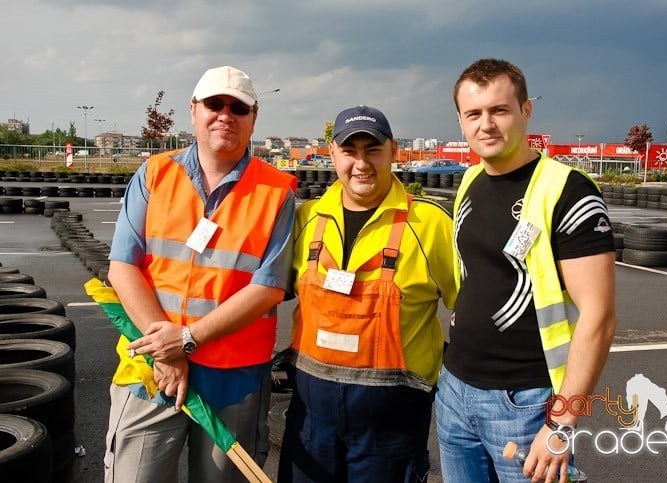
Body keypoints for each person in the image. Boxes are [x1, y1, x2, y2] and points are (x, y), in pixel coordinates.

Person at [104, 65, 297, 482]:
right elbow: (122, 267)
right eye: (214, 104)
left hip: (234, 380)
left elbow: (268, 288)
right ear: (194, 111)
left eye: (238, 107)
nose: (225, 114)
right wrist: (168, 351)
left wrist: (187, 340)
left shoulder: (277, 191)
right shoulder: (154, 175)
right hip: (152, 374)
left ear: (253, 117)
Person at [436, 58, 617, 483]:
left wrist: (561, 424)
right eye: (474, 114)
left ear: (525, 111)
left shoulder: (567, 191)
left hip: (527, 404)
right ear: (461, 121)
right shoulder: (470, 181)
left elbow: (600, 317)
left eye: (499, 110)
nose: (487, 125)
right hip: (455, 392)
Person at [278, 105, 457, 482]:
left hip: (391, 429)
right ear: (333, 154)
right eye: (350, 150)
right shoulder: (305, 219)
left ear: (393, 151)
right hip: (312, 421)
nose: (362, 163)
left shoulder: (429, 225)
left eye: (373, 149)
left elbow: (471, 310)